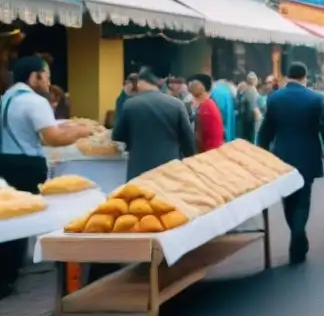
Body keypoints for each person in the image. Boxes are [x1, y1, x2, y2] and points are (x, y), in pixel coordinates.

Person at [0, 57, 92, 297]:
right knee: (22, 219)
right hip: (27, 163)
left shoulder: (7, 97)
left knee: (7, 217)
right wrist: (82, 132)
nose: (49, 82)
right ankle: (7, 278)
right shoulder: (34, 101)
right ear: (34, 77)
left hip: (5, 160)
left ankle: (9, 271)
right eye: (47, 75)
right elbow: (53, 138)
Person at [258, 62, 324, 264]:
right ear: (304, 76)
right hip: (307, 155)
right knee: (303, 199)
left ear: (288, 76)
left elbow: (266, 129)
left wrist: (261, 151)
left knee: (288, 199)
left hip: (282, 156)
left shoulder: (274, 98)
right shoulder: (316, 98)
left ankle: (296, 233)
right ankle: (298, 236)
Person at [112, 67, 195, 179]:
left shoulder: (130, 104)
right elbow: (188, 140)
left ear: (140, 82)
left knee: (139, 196)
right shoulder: (177, 104)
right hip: (170, 168)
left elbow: (117, 135)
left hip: (139, 169)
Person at [190, 74, 225, 152]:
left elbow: (200, 137)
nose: (190, 86)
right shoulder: (205, 105)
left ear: (202, 87)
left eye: (194, 83)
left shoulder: (206, 108)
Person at [236, 72, 262, 143]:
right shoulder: (251, 91)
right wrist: (258, 117)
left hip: (245, 119)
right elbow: (253, 108)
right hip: (250, 120)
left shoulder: (244, 89)